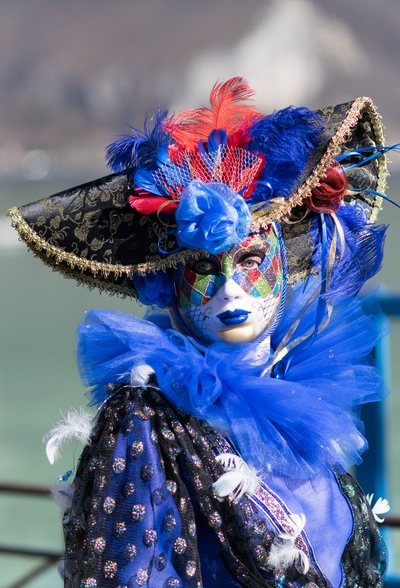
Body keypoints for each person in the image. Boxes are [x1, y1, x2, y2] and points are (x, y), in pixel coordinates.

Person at [9, 77, 393, 587]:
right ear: (167, 286)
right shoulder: (147, 422)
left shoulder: (300, 396)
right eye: (205, 269)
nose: (231, 290)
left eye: (251, 260)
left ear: (286, 261)